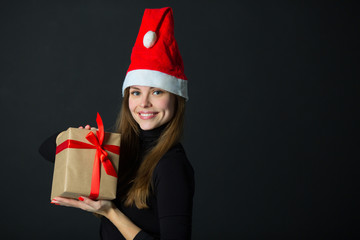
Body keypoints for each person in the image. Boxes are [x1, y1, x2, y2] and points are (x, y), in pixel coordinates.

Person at [39, 7, 194, 240]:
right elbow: (47, 149)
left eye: (157, 92)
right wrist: (82, 142)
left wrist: (110, 212)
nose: (144, 103)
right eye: (135, 93)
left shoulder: (171, 166)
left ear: (175, 99)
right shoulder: (122, 148)